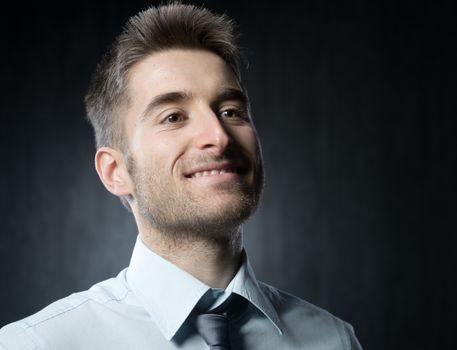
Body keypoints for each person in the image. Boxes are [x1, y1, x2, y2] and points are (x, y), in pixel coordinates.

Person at [0, 3, 362, 349]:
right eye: (173, 116)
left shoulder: (334, 340)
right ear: (115, 172)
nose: (219, 136)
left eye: (231, 111)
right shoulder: (35, 345)